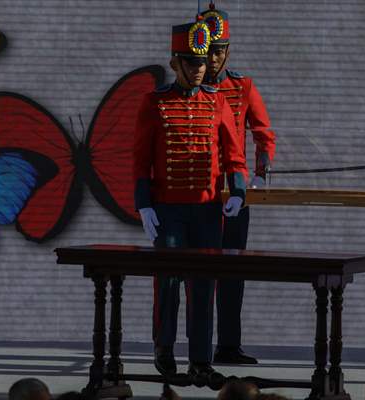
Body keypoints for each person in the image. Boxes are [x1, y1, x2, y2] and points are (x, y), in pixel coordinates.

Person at [133, 15, 247, 381]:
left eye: (203, 61)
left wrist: (239, 189)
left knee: (204, 284)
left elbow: (234, 152)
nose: (200, 68)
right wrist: (144, 203)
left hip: (207, 209)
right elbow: (140, 158)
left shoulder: (217, 102)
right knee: (168, 281)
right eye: (192, 62)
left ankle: (200, 359)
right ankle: (164, 348)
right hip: (168, 208)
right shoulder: (155, 103)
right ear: (174, 63)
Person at [200, 1, 276, 366]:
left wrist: (260, 172)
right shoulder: (189, 89)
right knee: (195, 272)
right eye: (208, 52)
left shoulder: (242, 86)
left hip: (234, 191)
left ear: (228, 51)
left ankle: (228, 344)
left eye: (219, 52)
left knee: (231, 271)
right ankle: (188, 345)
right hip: (196, 191)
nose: (213, 59)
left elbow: (263, 132)